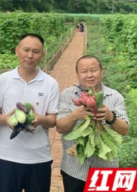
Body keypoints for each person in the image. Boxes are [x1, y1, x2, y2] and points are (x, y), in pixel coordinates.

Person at [0, 33, 60, 192]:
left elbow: (52, 120)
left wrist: (41, 119)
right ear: (17, 51)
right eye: (26, 50)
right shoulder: (2, 80)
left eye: (36, 52)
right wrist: (6, 120)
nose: (30, 56)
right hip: (6, 157)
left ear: (42, 55)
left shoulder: (51, 84)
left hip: (39, 159)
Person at [56, 55, 129, 192]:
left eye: (93, 70)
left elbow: (124, 130)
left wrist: (110, 117)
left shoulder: (115, 96)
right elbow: (60, 127)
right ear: (77, 74)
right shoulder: (67, 95)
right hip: (74, 169)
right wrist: (75, 115)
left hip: (105, 169)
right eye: (84, 71)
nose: (89, 75)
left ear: (101, 71)